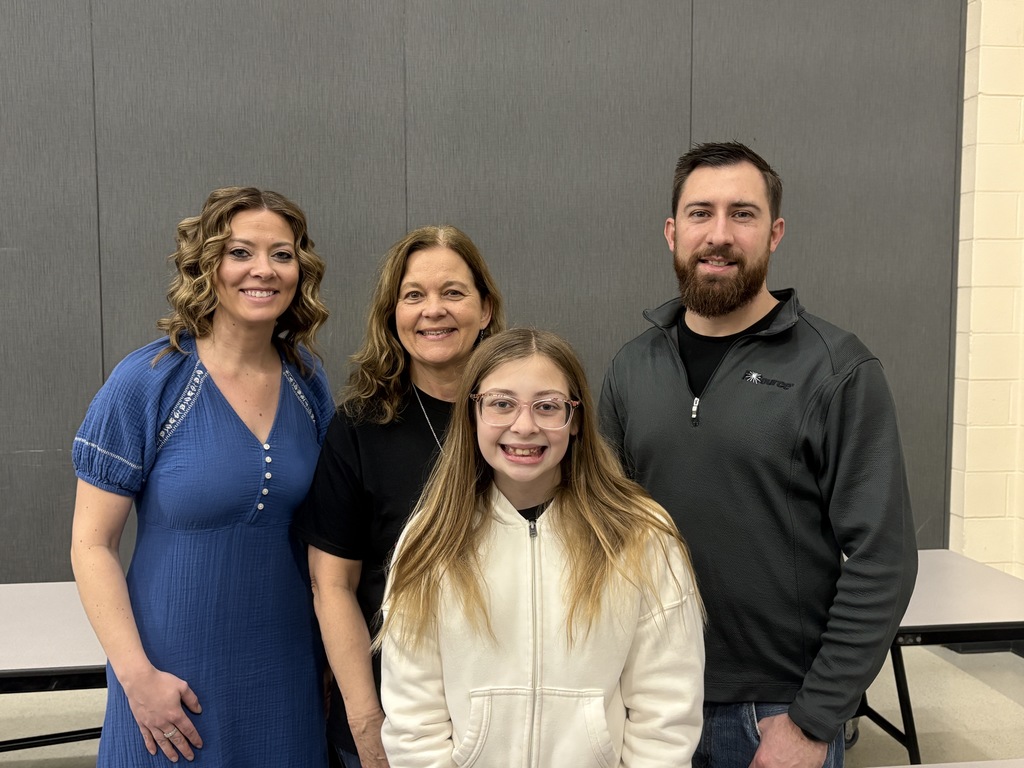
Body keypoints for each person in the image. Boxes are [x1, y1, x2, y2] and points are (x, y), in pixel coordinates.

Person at [599, 141, 918, 768]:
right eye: (700, 213)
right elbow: (602, 533)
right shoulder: (632, 367)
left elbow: (882, 559)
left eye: (741, 214)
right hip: (649, 701)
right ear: (671, 231)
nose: (719, 234)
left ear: (774, 233)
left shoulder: (836, 368)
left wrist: (813, 720)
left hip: (774, 714)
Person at [70, 187, 334, 766]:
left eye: (282, 254)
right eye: (240, 252)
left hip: (287, 674)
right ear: (206, 266)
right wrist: (137, 678)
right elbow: (91, 544)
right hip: (171, 681)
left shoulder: (307, 382)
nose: (263, 270)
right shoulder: (149, 380)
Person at [378, 328, 705, 767]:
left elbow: (666, 712)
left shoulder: (641, 535)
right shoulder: (429, 541)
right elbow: (414, 720)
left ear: (575, 422)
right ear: (472, 415)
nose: (524, 425)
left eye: (548, 406)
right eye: (501, 404)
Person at [293, 225, 506, 768]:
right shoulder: (359, 429)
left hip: (505, 707)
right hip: (395, 714)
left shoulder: (523, 417)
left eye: (453, 292)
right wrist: (367, 722)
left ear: (485, 309)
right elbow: (332, 585)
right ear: (393, 316)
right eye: (414, 296)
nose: (432, 310)